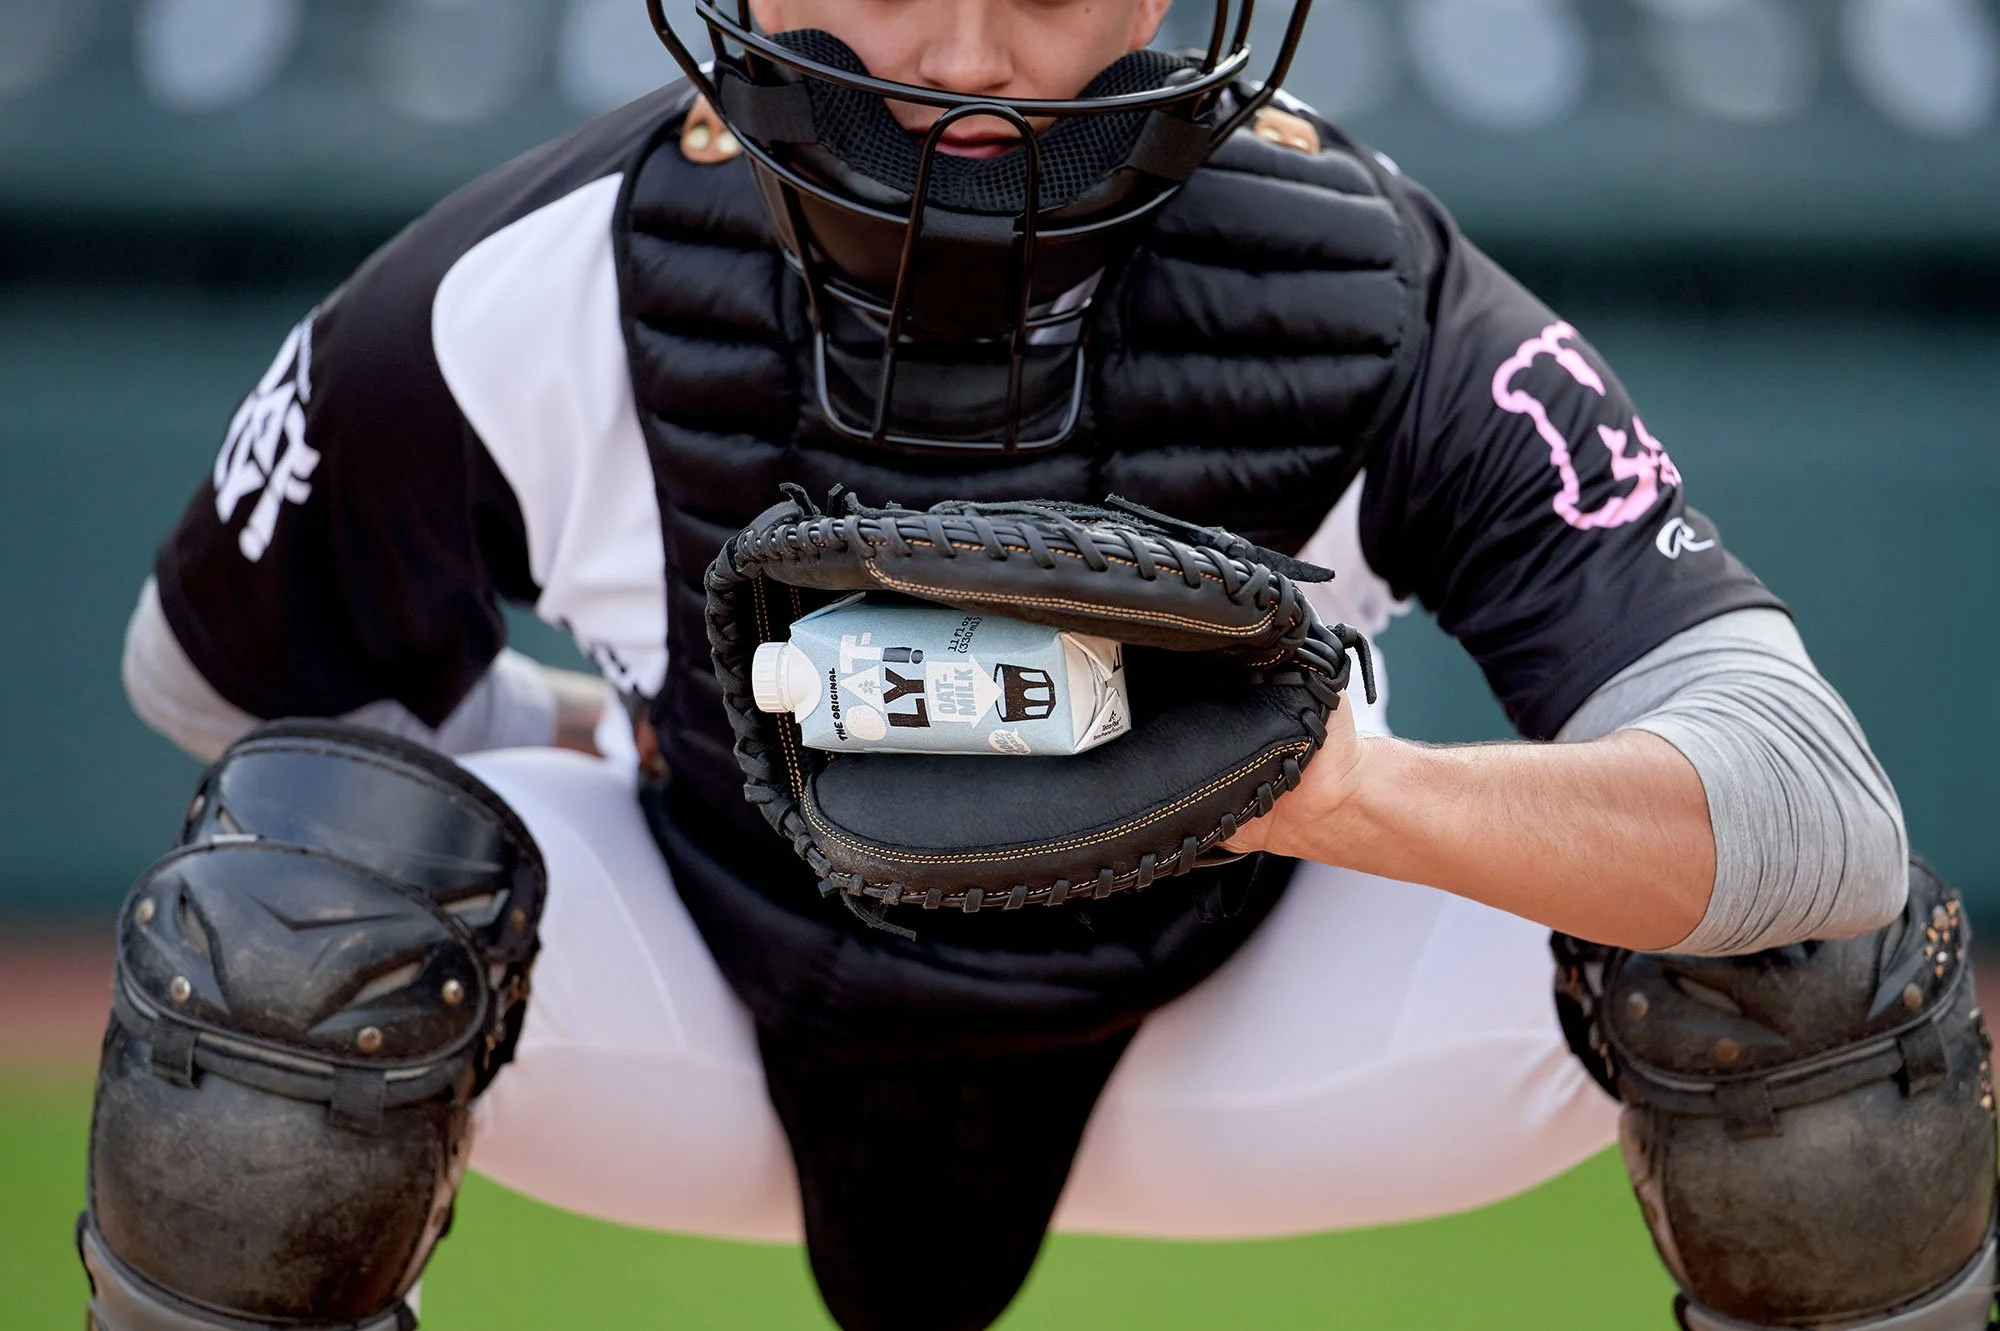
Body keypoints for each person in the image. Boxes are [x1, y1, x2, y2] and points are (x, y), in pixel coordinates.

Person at [85, 0, 1995, 1328]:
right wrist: (608, 731)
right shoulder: (536, 280)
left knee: (1809, 963)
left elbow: (1819, 815)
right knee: (293, 903)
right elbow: (230, 686)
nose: (971, 65)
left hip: (1257, 1020)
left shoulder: (1370, 285)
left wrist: (1342, 792)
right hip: (717, 1011)